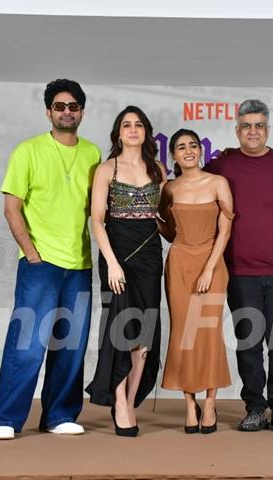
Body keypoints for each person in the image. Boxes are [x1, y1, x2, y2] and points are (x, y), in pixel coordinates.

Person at [0, 79, 101, 440]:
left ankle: (59, 415)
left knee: (71, 346)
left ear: (82, 111)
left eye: (73, 106)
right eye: (59, 105)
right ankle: (6, 418)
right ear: (48, 111)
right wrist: (33, 255)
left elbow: (95, 210)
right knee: (27, 343)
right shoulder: (28, 151)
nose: (66, 111)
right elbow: (12, 208)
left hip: (80, 265)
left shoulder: (93, 154)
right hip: (41, 265)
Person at [207, 99, 273, 432]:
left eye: (259, 125)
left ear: (268, 129)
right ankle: (255, 406)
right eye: (246, 126)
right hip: (240, 271)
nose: (253, 131)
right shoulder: (222, 166)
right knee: (249, 343)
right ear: (237, 130)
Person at [85, 106, 166, 437]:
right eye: (126, 125)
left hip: (149, 255)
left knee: (144, 333)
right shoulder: (106, 169)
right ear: (118, 133)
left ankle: (131, 401)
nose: (132, 129)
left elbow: (163, 218)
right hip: (116, 253)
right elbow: (96, 220)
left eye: (138, 125)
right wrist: (113, 263)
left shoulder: (158, 169)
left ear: (145, 131)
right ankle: (118, 400)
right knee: (121, 328)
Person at [158, 129, 234, 434]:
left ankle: (211, 402)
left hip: (212, 264)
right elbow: (165, 227)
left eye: (192, 145)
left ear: (200, 150)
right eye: (180, 147)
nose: (188, 150)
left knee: (208, 332)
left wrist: (207, 269)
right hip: (179, 264)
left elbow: (225, 230)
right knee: (183, 334)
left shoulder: (218, 183)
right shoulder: (169, 188)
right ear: (173, 155)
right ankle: (190, 405)